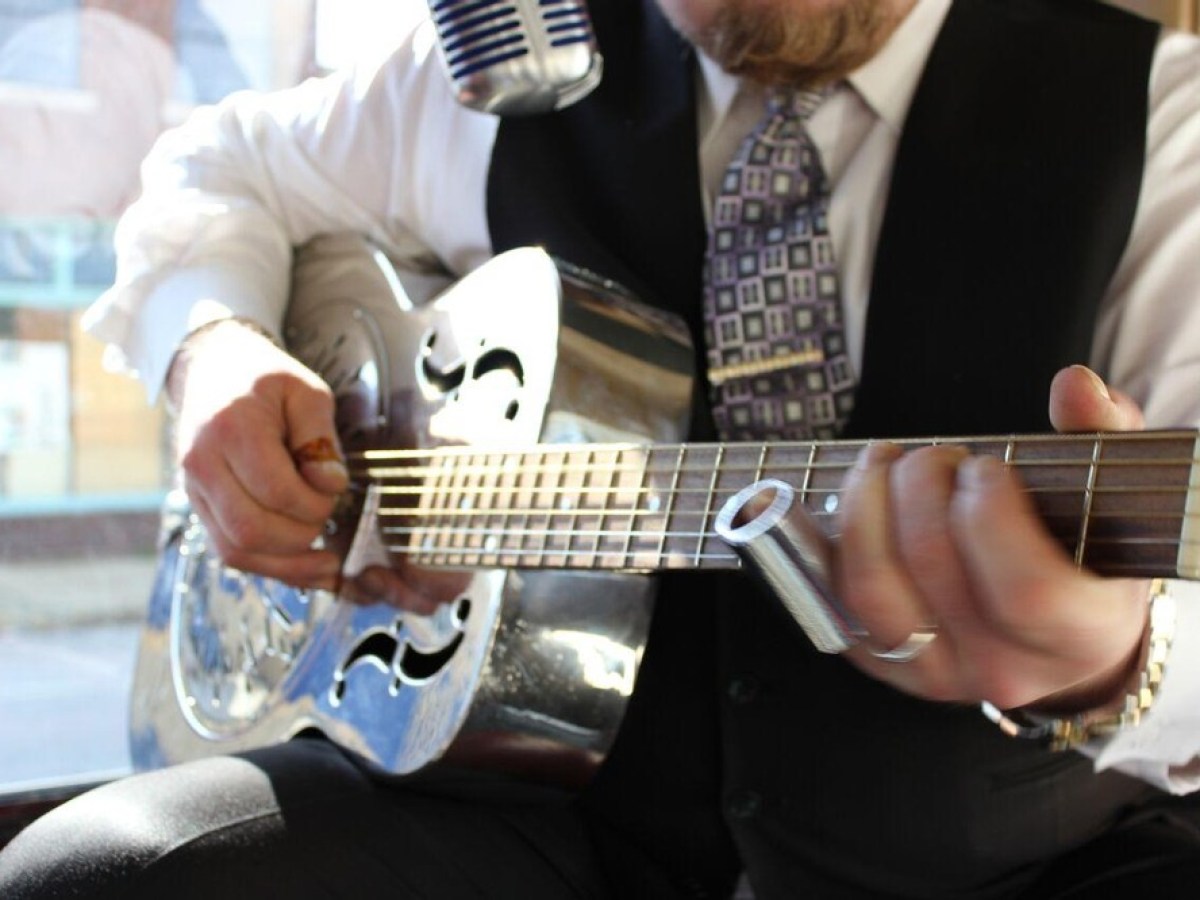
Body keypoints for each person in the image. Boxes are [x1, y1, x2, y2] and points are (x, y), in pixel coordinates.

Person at [4, 0, 1200, 896]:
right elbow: (219, 170)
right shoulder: (500, 72)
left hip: (1015, 864)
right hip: (559, 820)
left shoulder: (1159, 120)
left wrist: (1118, 661)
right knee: (98, 873)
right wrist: (211, 349)